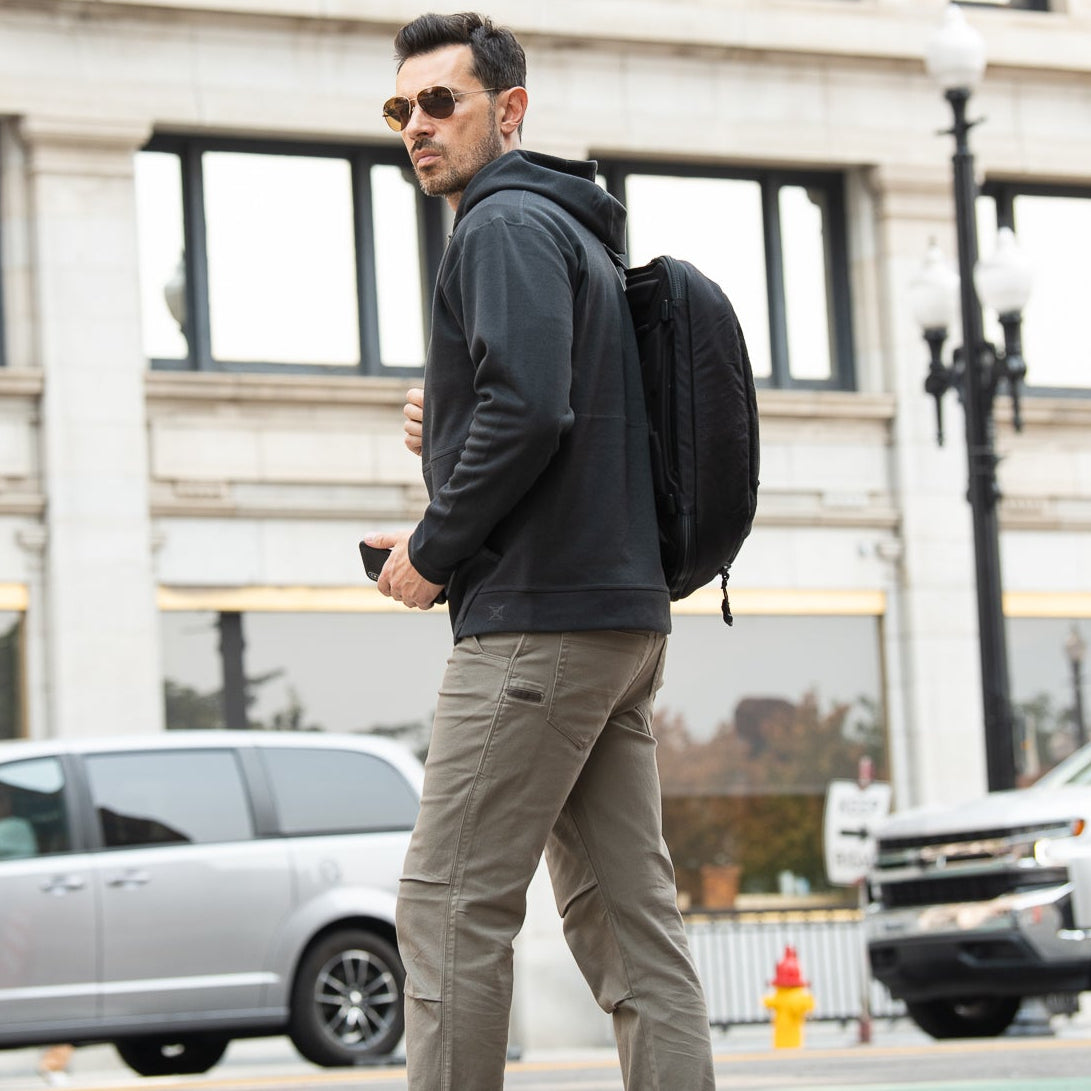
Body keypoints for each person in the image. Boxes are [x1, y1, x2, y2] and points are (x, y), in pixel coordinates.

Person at [364, 12, 716, 1090]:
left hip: (536, 623)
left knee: (448, 904)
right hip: (614, 615)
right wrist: (454, 422)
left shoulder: (502, 225)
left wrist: (430, 547)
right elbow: (549, 401)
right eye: (400, 108)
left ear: (506, 110)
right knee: (629, 922)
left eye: (441, 101)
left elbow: (530, 412)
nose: (418, 125)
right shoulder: (571, 230)